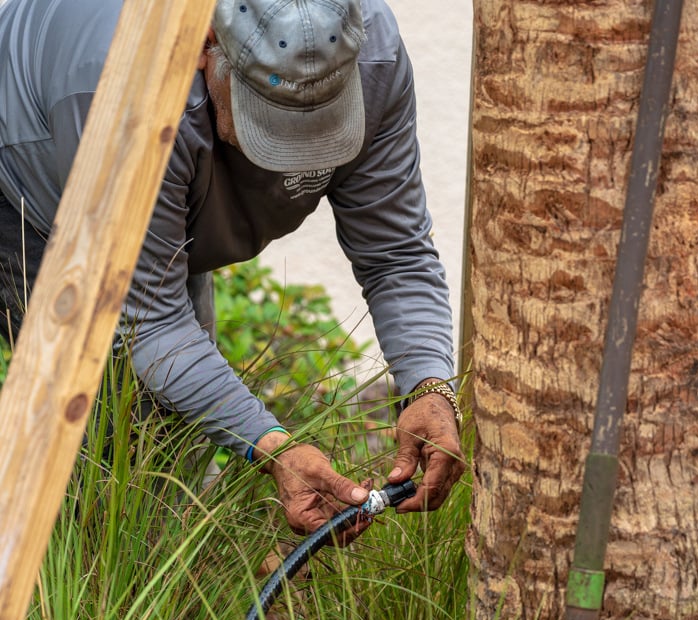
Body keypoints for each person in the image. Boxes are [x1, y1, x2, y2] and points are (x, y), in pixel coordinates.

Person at [0, 0, 464, 534]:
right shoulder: (130, 85)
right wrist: (273, 447)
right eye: (273, 122)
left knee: (169, 443)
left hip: (169, 169)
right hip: (27, 189)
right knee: (109, 449)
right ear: (205, 48)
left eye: (321, 126)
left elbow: (397, 253)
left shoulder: (368, 50)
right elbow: (152, 321)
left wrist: (430, 386)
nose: (301, 156)